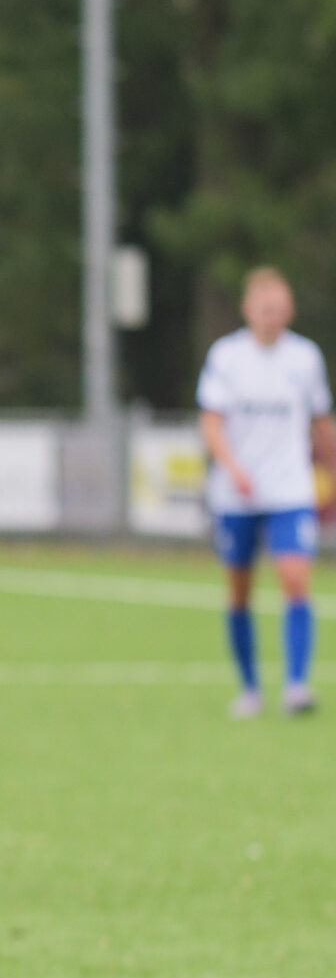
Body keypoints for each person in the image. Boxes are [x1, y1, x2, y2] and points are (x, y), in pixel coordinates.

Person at [196, 266, 333, 717]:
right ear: (247, 309)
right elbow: (211, 422)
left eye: (279, 308)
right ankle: (250, 688)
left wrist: (331, 467)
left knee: (295, 580)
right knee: (240, 590)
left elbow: (320, 422)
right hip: (237, 493)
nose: (272, 316)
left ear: (289, 310)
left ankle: (296, 686)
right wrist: (233, 468)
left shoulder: (306, 357)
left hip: (289, 489)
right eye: (264, 308)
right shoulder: (226, 356)